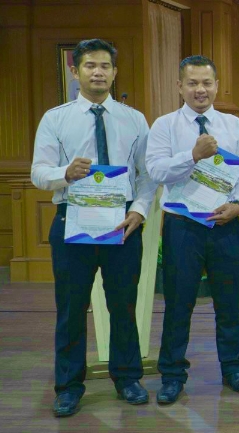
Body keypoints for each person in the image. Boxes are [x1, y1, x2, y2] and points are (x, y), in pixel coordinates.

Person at [30, 39, 157, 417]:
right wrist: (64, 174)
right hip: (73, 221)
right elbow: (38, 173)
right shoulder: (56, 118)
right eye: (90, 66)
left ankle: (128, 378)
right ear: (75, 71)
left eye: (105, 66)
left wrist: (140, 211)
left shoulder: (134, 119)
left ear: (115, 72)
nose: (98, 72)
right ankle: (69, 387)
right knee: (71, 308)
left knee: (124, 305)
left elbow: (147, 174)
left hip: (122, 223)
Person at [145, 55, 239, 404]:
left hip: (225, 224)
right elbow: (155, 171)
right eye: (192, 83)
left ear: (216, 86)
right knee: (179, 303)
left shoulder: (233, 125)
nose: (200, 90)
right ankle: (172, 375)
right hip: (182, 227)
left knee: (229, 302)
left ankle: (234, 369)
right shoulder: (164, 126)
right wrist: (192, 155)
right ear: (180, 86)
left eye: (207, 83)